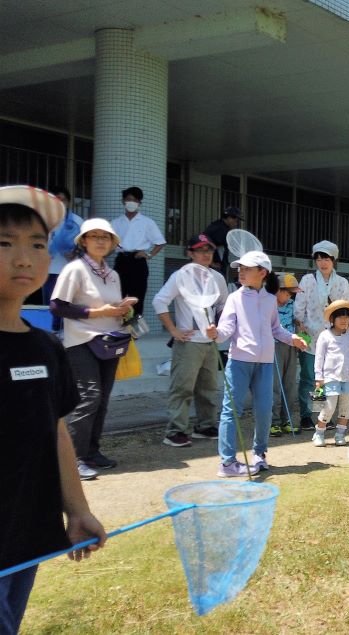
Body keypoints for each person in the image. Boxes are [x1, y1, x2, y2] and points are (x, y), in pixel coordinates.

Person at [0, 185, 106, 634]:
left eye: (37, 244)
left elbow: (56, 429)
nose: (23, 258)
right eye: (4, 244)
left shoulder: (46, 348)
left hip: (25, 533)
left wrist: (77, 509)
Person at [50, 218, 136, 480]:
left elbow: (111, 309)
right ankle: (73, 459)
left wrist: (124, 311)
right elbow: (57, 306)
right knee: (89, 397)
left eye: (105, 237)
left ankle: (91, 452)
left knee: (102, 400)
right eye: (94, 236)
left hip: (110, 341)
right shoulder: (75, 269)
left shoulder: (113, 274)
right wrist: (98, 312)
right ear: (83, 241)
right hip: (81, 341)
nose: (100, 240)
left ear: (112, 243)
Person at [207, 251, 307, 477]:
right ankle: (227, 463)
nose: (240, 272)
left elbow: (275, 329)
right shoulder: (234, 298)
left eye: (247, 269)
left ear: (262, 273)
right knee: (231, 411)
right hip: (239, 361)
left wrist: (292, 338)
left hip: (264, 363)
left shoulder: (271, 299)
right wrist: (215, 333)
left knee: (264, 411)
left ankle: (260, 454)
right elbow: (225, 332)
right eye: (239, 268)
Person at [152, 234, 228, 448]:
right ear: (190, 253)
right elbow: (159, 301)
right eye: (200, 250)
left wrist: (220, 328)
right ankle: (176, 430)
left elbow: (223, 304)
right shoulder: (180, 276)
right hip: (188, 341)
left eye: (209, 250)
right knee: (182, 387)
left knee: (208, 387)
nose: (205, 254)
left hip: (210, 341)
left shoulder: (217, 277)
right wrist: (173, 330)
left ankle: (206, 426)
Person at [294, 240, 349, 430]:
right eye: (318, 259)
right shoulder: (307, 280)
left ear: (333, 259)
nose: (322, 263)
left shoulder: (342, 282)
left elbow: (347, 307)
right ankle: (305, 415)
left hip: (334, 337)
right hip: (311, 334)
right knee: (310, 377)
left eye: (326, 258)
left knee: (328, 378)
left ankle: (323, 416)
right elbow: (299, 305)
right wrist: (299, 324)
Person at [109, 186, 165, 318]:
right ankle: (119, 329)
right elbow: (109, 242)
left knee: (137, 296)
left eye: (134, 200)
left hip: (138, 261)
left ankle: (134, 331)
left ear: (139, 203)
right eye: (128, 199)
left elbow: (160, 242)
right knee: (119, 295)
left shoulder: (147, 222)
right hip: (121, 259)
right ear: (123, 201)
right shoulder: (115, 222)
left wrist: (149, 255)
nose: (131, 203)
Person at [312, 300, 349, 447]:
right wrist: (318, 377)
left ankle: (340, 434)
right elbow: (319, 357)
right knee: (329, 406)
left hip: (348, 378)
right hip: (330, 378)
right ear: (332, 319)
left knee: (345, 407)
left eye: (347, 317)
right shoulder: (324, 336)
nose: (344, 320)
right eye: (340, 317)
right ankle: (319, 432)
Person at [41, 187, 83, 334]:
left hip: (69, 270)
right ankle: (51, 333)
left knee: (67, 303)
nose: (60, 202)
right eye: (56, 199)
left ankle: (67, 334)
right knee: (50, 304)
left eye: (63, 199)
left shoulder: (77, 221)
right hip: (49, 269)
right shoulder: (45, 221)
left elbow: (84, 243)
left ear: (68, 202)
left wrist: (75, 252)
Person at [270, 273, 300, 436]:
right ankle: (273, 422)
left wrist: (300, 328)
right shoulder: (269, 304)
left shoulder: (291, 304)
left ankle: (286, 420)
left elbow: (296, 320)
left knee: (289, 384)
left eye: (291, 293)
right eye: (287, 292)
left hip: (290, 345)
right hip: (274, 347)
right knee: (275, 385)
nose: (289, 296)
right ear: (277, 290)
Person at [202, 206, 242, 272]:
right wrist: (211, 262)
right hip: (214, 266)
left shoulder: (218, 225)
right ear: (230, 218)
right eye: (236, 220)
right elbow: (205, 243)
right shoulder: (221, 229)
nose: (236, 223)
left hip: (214, 264)